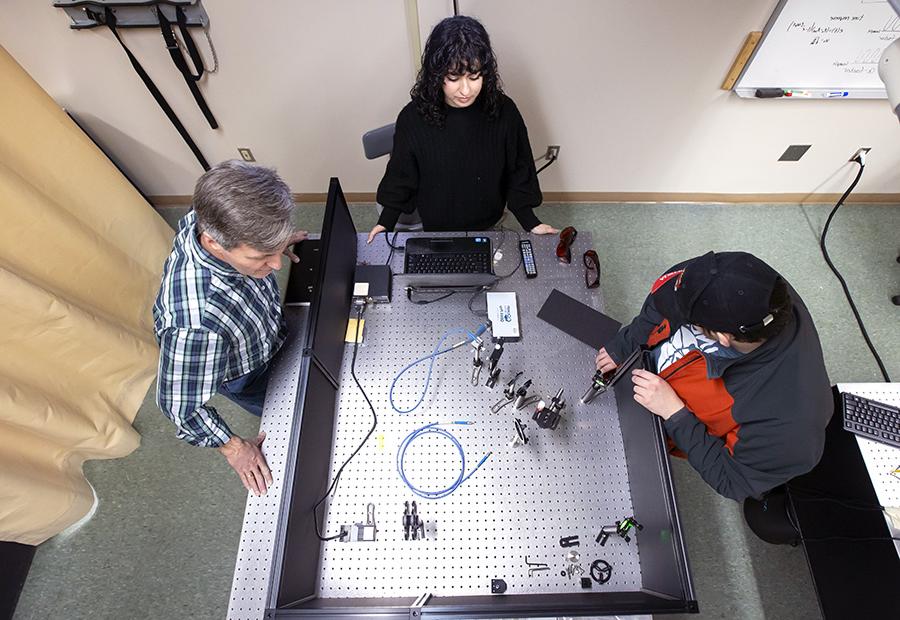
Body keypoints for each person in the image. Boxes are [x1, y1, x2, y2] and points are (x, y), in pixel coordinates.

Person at [596, 251, 832, 502]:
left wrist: (675, 414)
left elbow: (732, 480)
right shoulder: (745, 279)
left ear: (723, 337)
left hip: (668, 416)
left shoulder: (789, 424)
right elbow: (666, 296)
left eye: (694, 323)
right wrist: (627, 343)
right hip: (655, 382)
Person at [153, 160, 307, 496]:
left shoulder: (210, 213)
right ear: (213, 244)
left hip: (266, 329)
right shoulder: (195, 327)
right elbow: (180, 408)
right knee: (297, 411)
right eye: (262, 256)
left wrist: (272, 243)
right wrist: (235, 447)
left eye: (278, 251)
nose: (278, 265)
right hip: (250, 373)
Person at [367, 15, 557, 243]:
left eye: (475, 76)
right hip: (436, 228)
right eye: (454, 78)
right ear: (436, 74)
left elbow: (518, 171)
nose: (466, 90)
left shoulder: (505, 112)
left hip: (487, 224)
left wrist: (531, 222)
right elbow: (401, 176)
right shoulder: (412, 117)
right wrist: (385, 223)